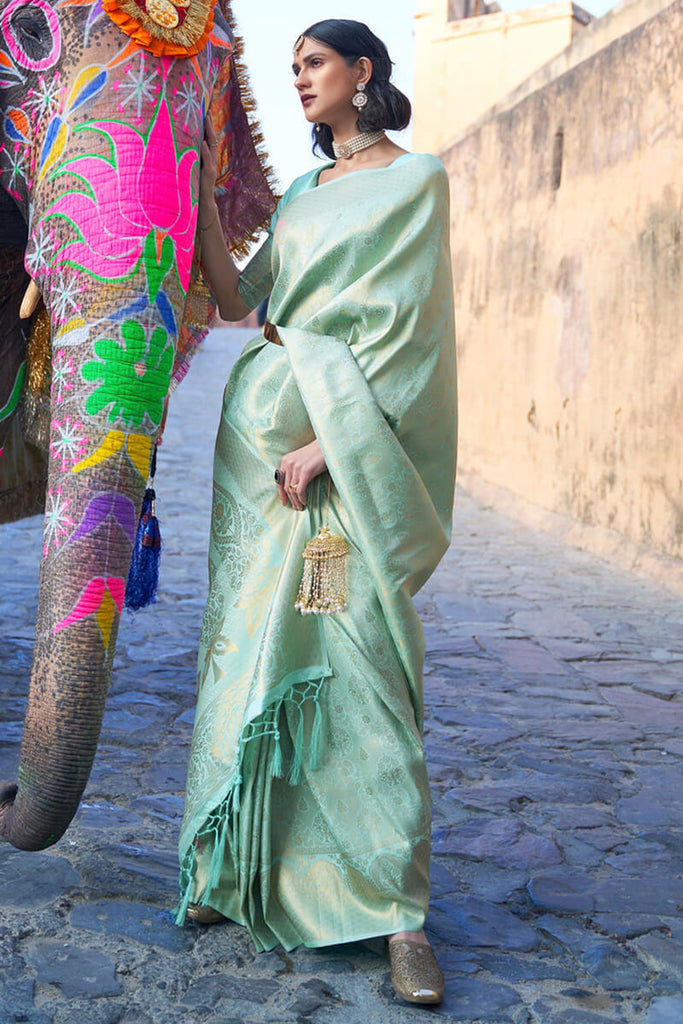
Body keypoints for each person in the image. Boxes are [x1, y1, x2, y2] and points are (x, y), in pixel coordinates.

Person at [176, 19, 457, 1006]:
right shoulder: (297, 196)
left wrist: (330, 443)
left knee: (361, 665)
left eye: (314, 63)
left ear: (361, 72)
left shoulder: (415, 182)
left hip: (336, 467)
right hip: (253, 461)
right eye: (291, 66)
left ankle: (397, 912)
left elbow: (409, 345)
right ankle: (232, 865)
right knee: (251, 653)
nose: (298, 79)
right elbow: (235, 302)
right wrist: (199, 200)